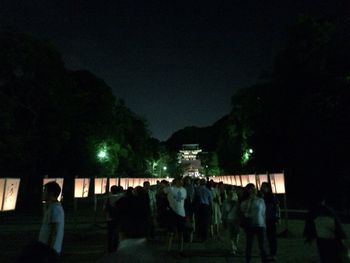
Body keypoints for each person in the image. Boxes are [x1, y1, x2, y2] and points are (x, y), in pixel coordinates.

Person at [97, 186, 159, 263]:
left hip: (119, 223)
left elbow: (111, 208)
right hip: (140, 229)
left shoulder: (120, 199)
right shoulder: (144, 200)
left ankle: (111, 248)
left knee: (111, 233)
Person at [304, 192, 349, 263]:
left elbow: (309, 226)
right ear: (323, 200)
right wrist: (341, 236)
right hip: (331, 239)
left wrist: (309, 236)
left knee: (325, 257)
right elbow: (336, 226)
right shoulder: (329, 211)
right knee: (334, 257)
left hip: (321, 239)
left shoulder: (313, 212)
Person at [240, 183, 268, 263]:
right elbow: (244, 212)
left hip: (260, 225)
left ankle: (264, 260)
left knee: (262, 245)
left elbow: (263, 213)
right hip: (250, 225)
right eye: (251, 189)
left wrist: (264, 224)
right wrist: (250, 201)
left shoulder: (260, 200)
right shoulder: (245, 201)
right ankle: (248, 260)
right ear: (247, 190)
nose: (253, 190)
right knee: (249, 244)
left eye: (254, 188)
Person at [38, 181, 65, 260]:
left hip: (50, 251)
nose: (43, 193)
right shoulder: (52, 207)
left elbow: (54, 232)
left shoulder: (55, 209)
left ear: (51, 193)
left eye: (44, 191)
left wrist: (49, 251)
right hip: (48, 250)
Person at [164, 177, 187, 252]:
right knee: (170, 232)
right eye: (179, 181)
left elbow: (184, 200)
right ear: (175, 182)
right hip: (172, 212)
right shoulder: (171, 189)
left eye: (182, 181)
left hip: (182, 213)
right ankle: (168, 249)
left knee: (181, 233)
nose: (181, 182)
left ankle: (181, 250)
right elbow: (161, 191)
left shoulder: (184, 190)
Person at [260, 182, 280, 261]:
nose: (263, 188)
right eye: (262, 187)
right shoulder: (261, 196)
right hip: (263, 219)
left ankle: (273, 253)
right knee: (266, 237)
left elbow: (277, 207)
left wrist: (278, 217)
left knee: (272, 237)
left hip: (271, 219)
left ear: (268, 188)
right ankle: (268, 252)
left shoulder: (272, 196)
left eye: (264, 187)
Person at [103, 185, 124, 252]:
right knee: (116, 231)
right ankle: (116, 245)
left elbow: (104, 208)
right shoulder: (120, 197)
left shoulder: (108, 198)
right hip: (118, 217)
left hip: (110, 217)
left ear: (111, 190)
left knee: (110, 233)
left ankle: (109, 247)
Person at [222, 186, 240, 255]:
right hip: (233, 220)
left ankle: (233, 247)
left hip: (232, 219)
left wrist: (223, 219)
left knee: (233, 234)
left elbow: (224, 211)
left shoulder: (226, 201)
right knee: (234, 234)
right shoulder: (236, 201)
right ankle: (233, 247)